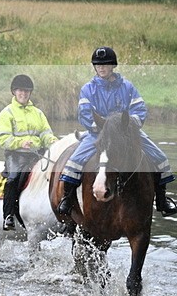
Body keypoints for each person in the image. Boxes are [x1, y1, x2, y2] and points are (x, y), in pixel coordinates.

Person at [56, 46, 177, 217]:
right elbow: (84, 114)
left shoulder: (127, 87)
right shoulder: (88, 89)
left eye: (105, 64)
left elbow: (139, 110)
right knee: (74, 162)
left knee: (160, 158)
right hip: (98, 133)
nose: (101, 68)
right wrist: (102, 128)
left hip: (126, 133)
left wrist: (128, 126)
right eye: (98, 65)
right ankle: (67, 199)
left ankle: (162, 200)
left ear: (113, 66)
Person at [0, 74, 59, 230]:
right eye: (20, 91)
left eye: (26, 91)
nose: (23, 94)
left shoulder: (38, 113)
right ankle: (8, 216)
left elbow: (45, 132)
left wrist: (52, 141)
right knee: (14, 177)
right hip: (16, 154)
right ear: (14, 92)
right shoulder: (7, 113)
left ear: (30, 93)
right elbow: (3, 138)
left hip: (37, 153)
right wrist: (20, 143)